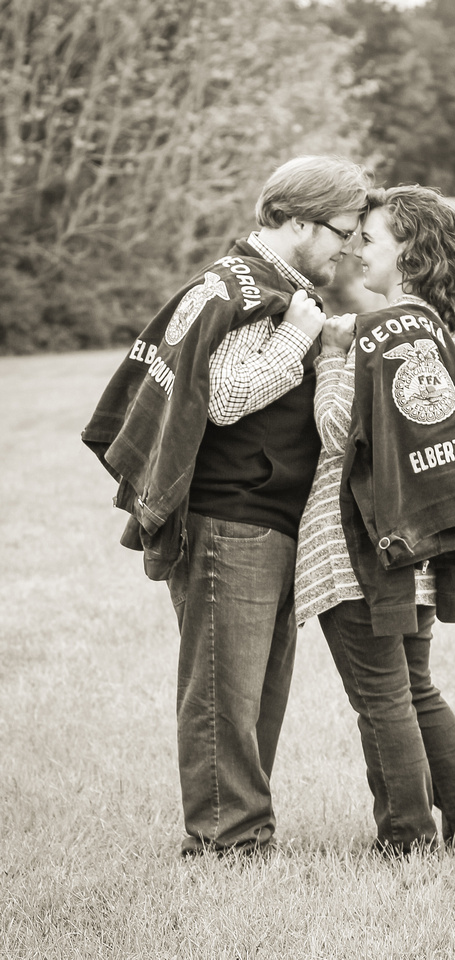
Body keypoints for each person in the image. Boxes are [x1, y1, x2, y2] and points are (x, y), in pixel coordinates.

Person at [82, 155, 371, 857]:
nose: (350, 247)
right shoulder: (253, 291)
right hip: (229, 520)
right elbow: (227, 396)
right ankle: (224, 844)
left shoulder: (269, 285)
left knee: (256, 695)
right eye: (342, 230)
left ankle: (244, 831)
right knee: (223, 693)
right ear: (297, 220)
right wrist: (301, 334)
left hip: (266, 517)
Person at [295, 185, 455, 856]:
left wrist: (329, 355)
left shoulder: (381, 331)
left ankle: (407, 841)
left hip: (365, 542)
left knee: (383, 698)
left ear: (409, 251)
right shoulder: (436, 333)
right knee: (415, 690)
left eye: (374, 238)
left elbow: (337, 431)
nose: (359, 248)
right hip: (418, 539)